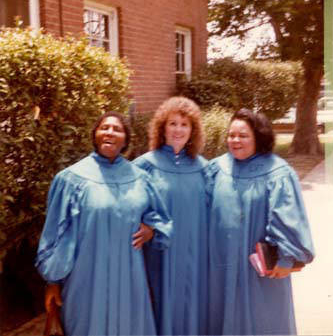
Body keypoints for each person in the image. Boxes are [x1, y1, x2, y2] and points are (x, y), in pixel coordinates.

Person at [35, 111, 173, 336]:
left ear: (126, 140)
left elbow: (160, 217)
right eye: (104, 127)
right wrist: (52, 281)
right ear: (95, 135)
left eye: (117, 129)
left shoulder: (140, 178)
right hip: (87, 279)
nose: (110, 132)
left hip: (130, 278)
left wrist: (151, 229)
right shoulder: (71, 179)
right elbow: (55, 234)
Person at [207, 108, 315, 335]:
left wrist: (286, 258)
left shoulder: (277, 172)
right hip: (222, 262)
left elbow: (289, 216)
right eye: (231, 135)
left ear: (259, 137)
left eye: (243, 135)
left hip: (262, 268)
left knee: (264, 320)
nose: (235, 140)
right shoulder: (217, 169)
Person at [133, 96, 209, 335]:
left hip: (195, 253)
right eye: (172, 123)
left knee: (191, 304)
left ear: (192, 131)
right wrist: (145, 225)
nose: (178, 129)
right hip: (159, 254)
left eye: (184, 124)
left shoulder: (204, 168)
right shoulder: (143, 165)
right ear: (162, 128)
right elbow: (128, 205)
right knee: (159, 302)